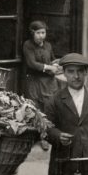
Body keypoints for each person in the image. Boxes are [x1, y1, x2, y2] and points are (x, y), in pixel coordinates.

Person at [22, 20, 60, 151]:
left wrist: (55, 64)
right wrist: (49, 67)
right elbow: (32, 63)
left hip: (48, 82)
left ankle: (45, 137)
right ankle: (34, 136)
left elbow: (52, 59)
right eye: (38, 33)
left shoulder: (48, 45)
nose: (41, 36)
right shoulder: (28, 45)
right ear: (32, 33)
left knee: (48, 108)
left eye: (43, 33)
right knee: (35, 108)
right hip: (34, 81)